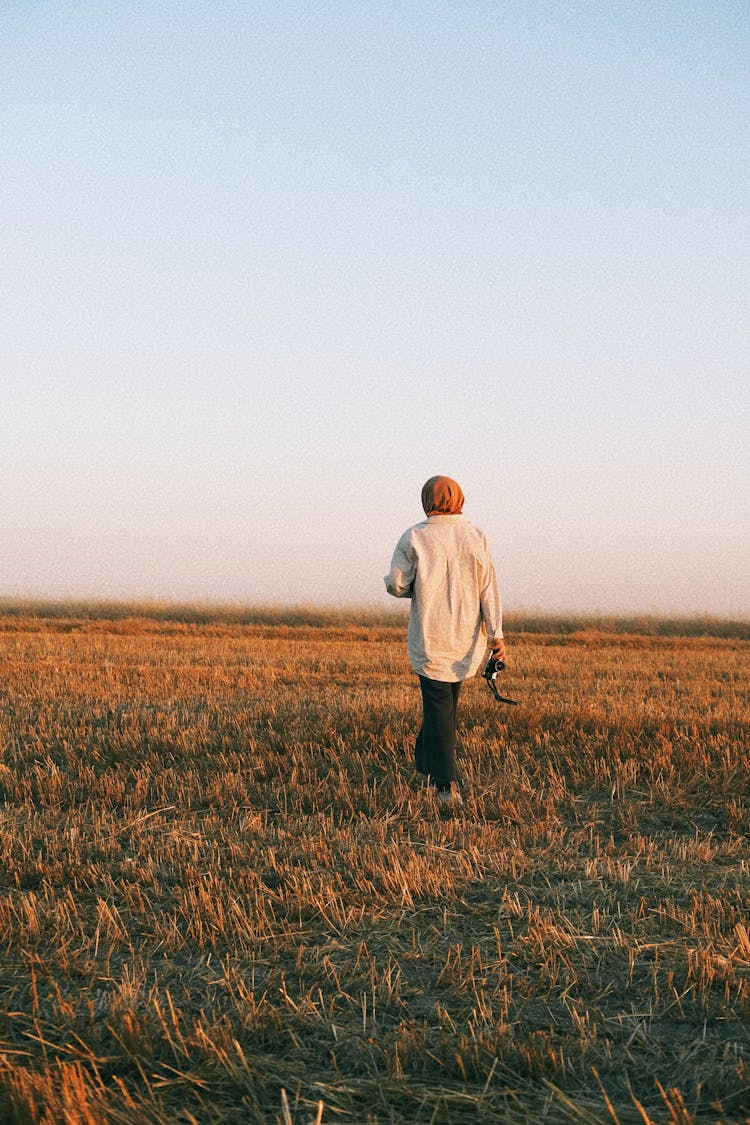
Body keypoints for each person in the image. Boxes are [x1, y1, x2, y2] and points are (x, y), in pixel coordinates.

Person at [384, 475, 505, 808]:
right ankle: (426, 762)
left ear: (427, 499)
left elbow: (397, 584)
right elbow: (488, 588)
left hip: (431, 635)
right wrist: (497, 635)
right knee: (444, 706)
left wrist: (411, 587)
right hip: (467, 637)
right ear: (459, 499)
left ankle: (445, 785)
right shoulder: (476, 536)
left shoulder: (415, 536)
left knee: (439, 708)